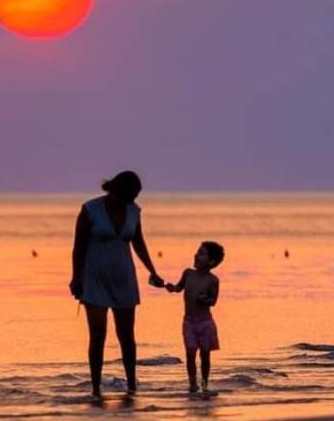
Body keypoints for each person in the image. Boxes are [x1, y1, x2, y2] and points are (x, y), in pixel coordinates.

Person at [69, 171, 163, 401]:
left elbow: (138, 242)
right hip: (95, 278)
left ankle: (132, 384)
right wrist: (76, 278)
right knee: (98, 334)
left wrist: (152, 271)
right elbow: (78, 247)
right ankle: (95, 388)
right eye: (129, 195)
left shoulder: (134, 210)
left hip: (124, 278)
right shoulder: (90, 209)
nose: (131, 200)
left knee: (127, 335)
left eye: (135, 196)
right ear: (116, 190)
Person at [165, 241, 225, 396]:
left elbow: (213, 301)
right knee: (190, 354)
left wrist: (204, 300)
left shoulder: (213, 280)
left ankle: (204, 384)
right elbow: (178, 288)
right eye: (197, 252)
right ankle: (192, 384)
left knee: (205, 355)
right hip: (189, 322)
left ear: (211, 262)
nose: (196, 255)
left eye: (201, 254)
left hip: (205, 323)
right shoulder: (188, 274)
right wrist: (170, 287)